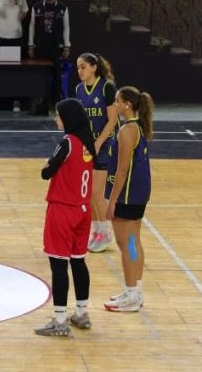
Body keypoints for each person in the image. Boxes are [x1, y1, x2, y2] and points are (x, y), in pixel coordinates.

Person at [34, 98, 95, 337]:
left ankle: (60, 320)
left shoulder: (67, 142)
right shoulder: (88, 143)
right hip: (83, 210)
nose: (56, 119)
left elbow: (46, 173)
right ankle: (81, 313)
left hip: (63, 209)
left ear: (69, 118)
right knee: (78, 262)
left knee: (59, 265)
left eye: (58, 115)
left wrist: (47, 165)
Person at [104, 86, 154, 313]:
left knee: (127, 244)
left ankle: (132, 293)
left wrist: (112, 200)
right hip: (138, 192)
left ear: (127, 105)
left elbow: (122, 169)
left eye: (117, 101)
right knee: (134, 243)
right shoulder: (137, 127)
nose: (114, 104)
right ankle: (135, 290)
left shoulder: (127, 130)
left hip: (127, 194)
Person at [75, 53, 119, 253]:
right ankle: (98, 231)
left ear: (94, 67)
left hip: (106, 144)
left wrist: (99, 143)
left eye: (83, 66)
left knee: (95, 192)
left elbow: (112, 120)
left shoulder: (106, 87)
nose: (80, 71)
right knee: (88, 194)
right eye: (78, 67)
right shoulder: (79, 89)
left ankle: (106, 232)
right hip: (89, 145)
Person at [28, 0, 71, 114]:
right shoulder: (37, 7)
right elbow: (31, 26)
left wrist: (67, 46)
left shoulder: (62, 8)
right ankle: (39, 101)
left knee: (56, 74)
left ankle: (56, 102)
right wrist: (31, 45)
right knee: (39, 75)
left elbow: (66, 27)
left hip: (56, 46)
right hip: (40, 46)